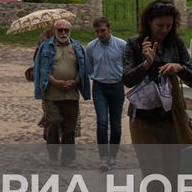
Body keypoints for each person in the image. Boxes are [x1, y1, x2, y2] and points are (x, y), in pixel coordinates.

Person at [122, 0, 192, 192]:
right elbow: (126, 79)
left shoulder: (176, 44)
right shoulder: (134, 44)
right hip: (143, 120)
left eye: (169, 24)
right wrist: (145, 64)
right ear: (149, 23)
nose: (165, 29)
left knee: (172, 180)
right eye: (160, 25)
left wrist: (179, 68)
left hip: (170, 119)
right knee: (155, 179)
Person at [32, 19, 92, 167]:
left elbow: (83, 69)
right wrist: (56, 82)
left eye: (66, 30)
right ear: (54, 31)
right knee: (54, 121)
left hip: (71, 94)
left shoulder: (77, 47)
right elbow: (40, 69)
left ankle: (68, 159)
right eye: (60, 30)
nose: (63, 33)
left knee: (69, 128)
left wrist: (76, 81)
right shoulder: (45, 47)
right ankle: (53, 154)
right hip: (51, 94)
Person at [85, 16, 128, 170]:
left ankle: (113, 156)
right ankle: (103, 156)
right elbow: (88, 67)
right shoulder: (91, 47)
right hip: (99, 87)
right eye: (97, 31)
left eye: (103, 30)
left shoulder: (122, 45)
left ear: (109, 29)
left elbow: (127, 64)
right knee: (102, 122)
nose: (100, 34)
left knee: (116, 123)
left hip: (117, 86)